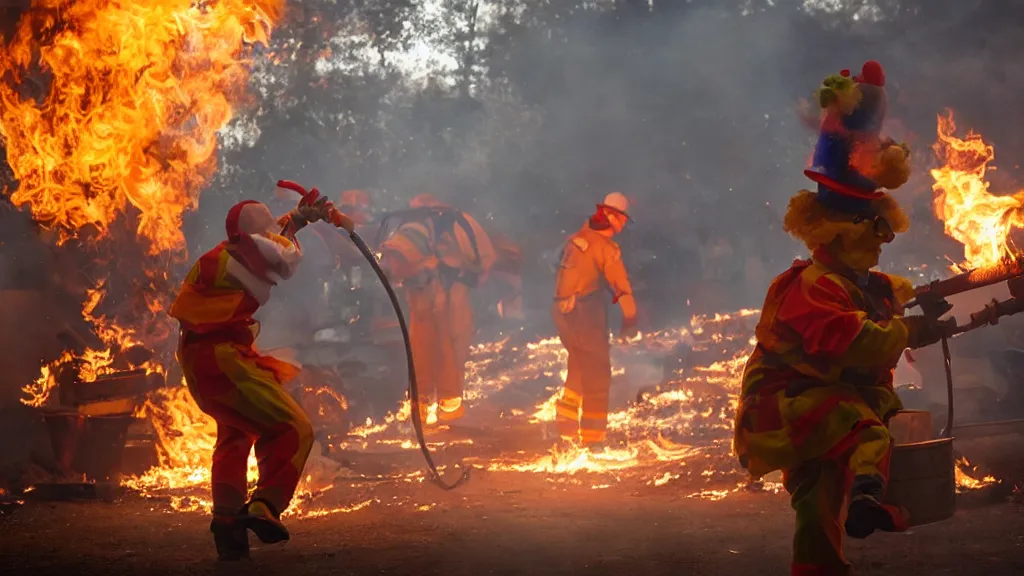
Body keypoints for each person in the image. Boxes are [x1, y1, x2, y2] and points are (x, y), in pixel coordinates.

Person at [732, 61, 952, 576]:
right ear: (836, 230)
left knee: (816, 505)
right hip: (787, 406)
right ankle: (869, 502)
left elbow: (897, 296)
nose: (882, 241)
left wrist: (935, 301)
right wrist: (911, 330)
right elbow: (853, 341)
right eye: (873, 230)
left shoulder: (863, 283)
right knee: (865, 434)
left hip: (819, 404)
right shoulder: (810, 288)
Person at [169, 188, 341, 560]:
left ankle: (228, 528)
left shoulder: (232, 252)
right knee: (295, 428)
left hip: (208, 359)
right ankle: (264, 505)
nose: (272, 233)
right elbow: (282, 256)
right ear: (251, 236)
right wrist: (297, 222)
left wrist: (295, 220)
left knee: (236, 433)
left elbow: (270, 243)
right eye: (266, 228)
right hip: (220, 360)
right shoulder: (240, 259)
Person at [552, 192, 638, 447]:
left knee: (578, 366)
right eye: (621, 219)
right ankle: (593, 438)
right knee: (598, 373)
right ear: (611, 216)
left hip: (562, 312)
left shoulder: (576, 239)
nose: (622, 226)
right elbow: (621, 287)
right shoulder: (605, 247)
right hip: (584, 312)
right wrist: (630, 320)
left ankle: (565, 429)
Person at [408, 193, 497, 421]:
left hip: (420, 297)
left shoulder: (409, 224)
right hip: (453, 296)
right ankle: (449, 411)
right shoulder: (462, 222)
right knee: (452, 348)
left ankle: (420, 413)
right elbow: (485, 262)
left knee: (421, 350)